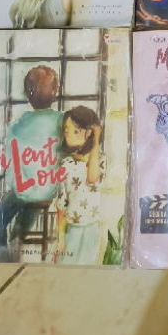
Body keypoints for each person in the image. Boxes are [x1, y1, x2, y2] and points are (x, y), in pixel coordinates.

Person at [0, 66, 64, 263]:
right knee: (31, 203)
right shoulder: (61, 121)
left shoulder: (18, 124)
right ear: (55, 91)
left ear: (27, 93)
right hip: (48, 188)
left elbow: (10, 162)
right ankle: (18, 236)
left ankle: (4, 260)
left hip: (23, 189)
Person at [54, 106, 105, 265]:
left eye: (75, 131)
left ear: (88, 132)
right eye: (66, 131)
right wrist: (61, 238)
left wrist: (96, 140)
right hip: (72, 228)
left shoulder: (101, 161)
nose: (69, 135)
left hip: (92, 229)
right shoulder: (66, 164)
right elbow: (61, 205)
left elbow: (92, 177)